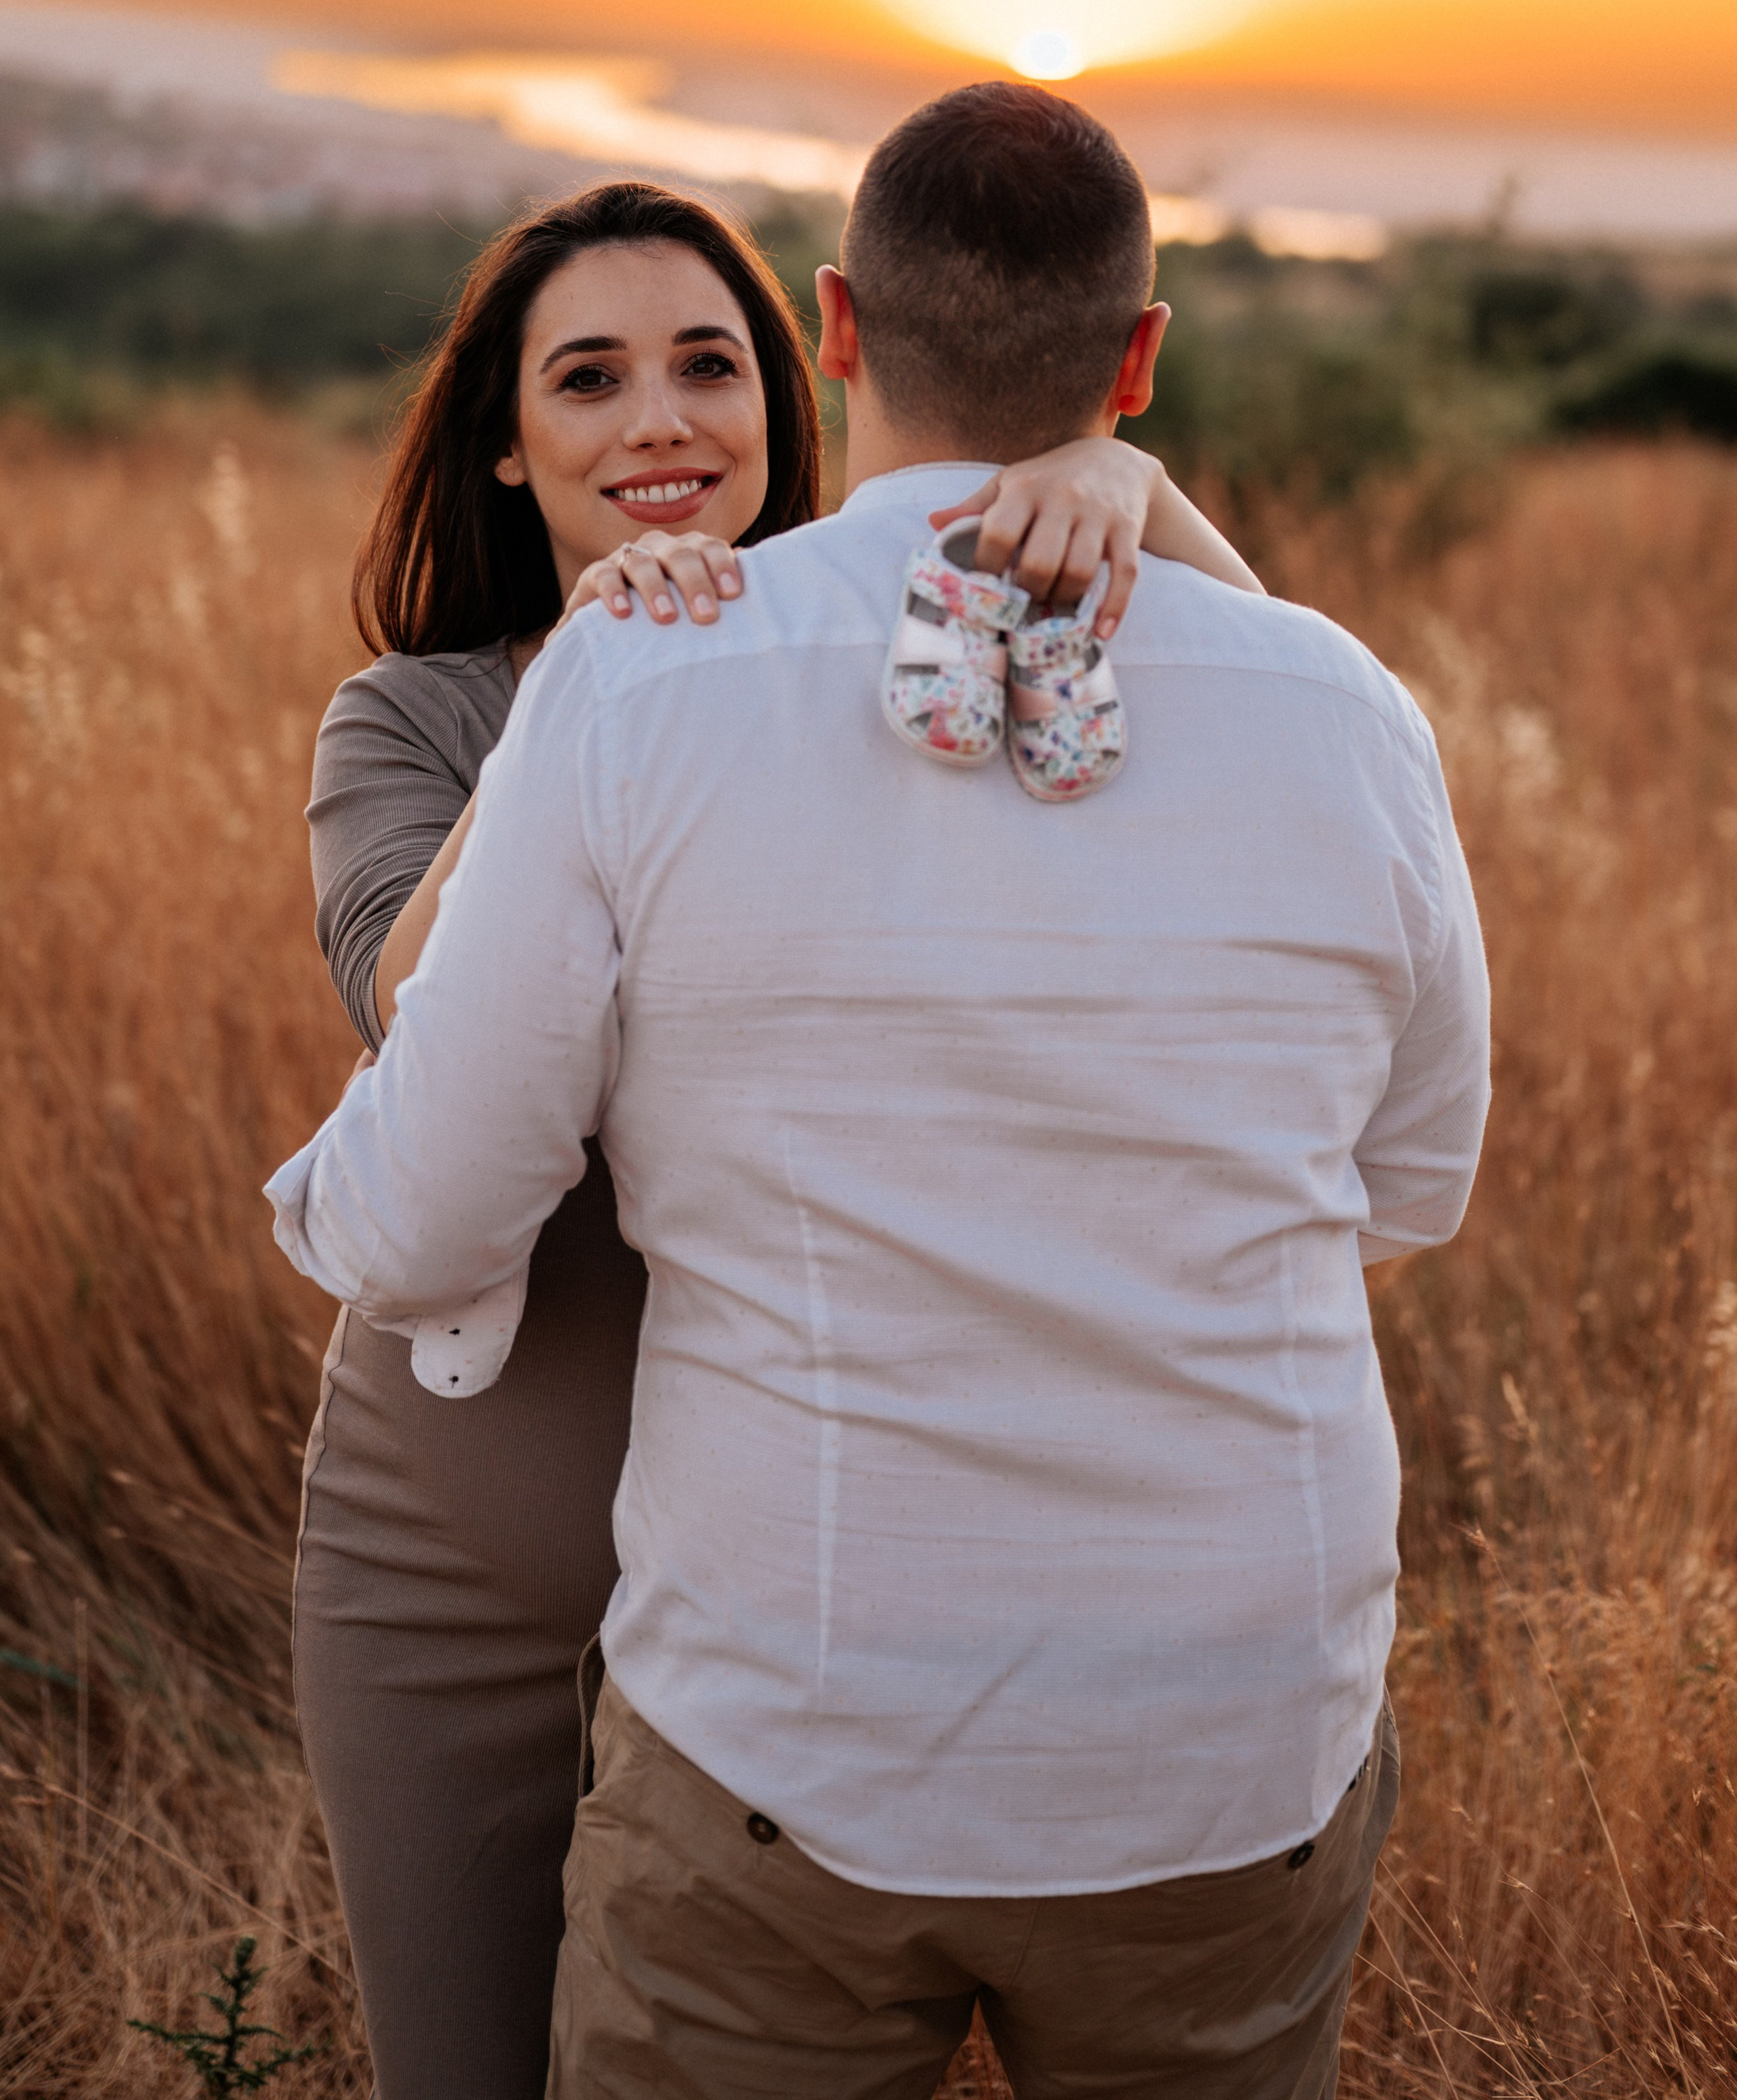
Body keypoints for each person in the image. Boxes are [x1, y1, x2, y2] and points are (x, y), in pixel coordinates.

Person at [290, 171, 1265, 2100]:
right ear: (504, 441)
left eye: (706, 366)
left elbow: (1277, 744)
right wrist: (584, 686)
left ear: (788, 393)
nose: (660, 419)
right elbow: (399, 994)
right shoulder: (405, 718)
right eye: (589, 378)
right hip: (460, 1549)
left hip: (793, 1563)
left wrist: (1143, 498)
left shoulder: (900, 645)